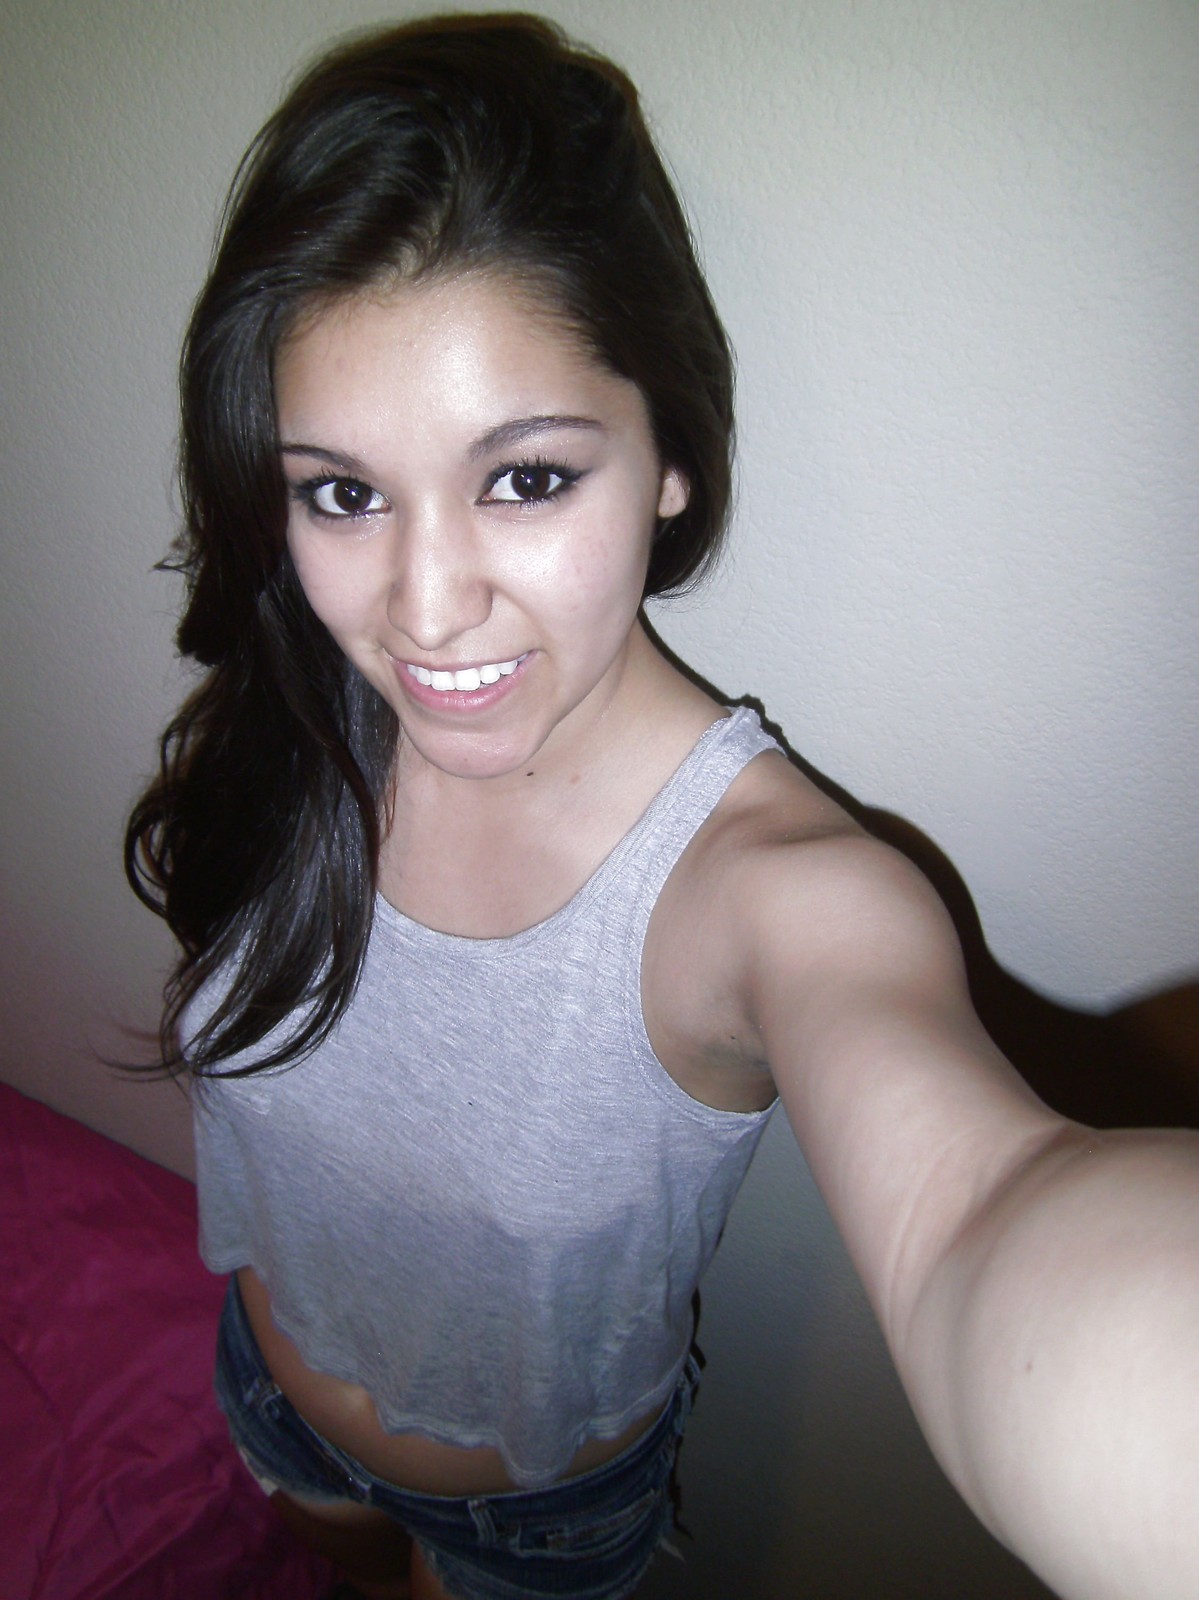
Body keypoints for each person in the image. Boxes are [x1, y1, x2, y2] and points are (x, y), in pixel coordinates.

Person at [125, 14, 1199, 1600]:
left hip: (529, 1523)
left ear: (668, 457)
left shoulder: (775, 892)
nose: (424, 608)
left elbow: (982, 1217)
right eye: (344, 493)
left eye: (526, 477)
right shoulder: (297, 707)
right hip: (270, 1391)